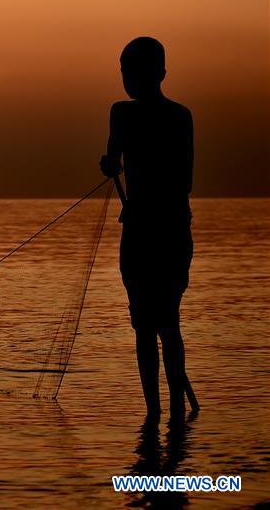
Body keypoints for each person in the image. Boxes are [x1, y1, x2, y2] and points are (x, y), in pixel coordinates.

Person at [100, 37, 194, 423]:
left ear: (160, 74)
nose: (128, 79)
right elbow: (113, 158)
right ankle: (155, 413)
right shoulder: (120, 113)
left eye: (133, 71)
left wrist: (146, 203)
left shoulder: (178, 116)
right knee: (145, 324)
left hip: (166, 232)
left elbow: (182, 181)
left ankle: (169, 412)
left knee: (165, 321)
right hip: (141, 233)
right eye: (123, 71)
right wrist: (109, 164)